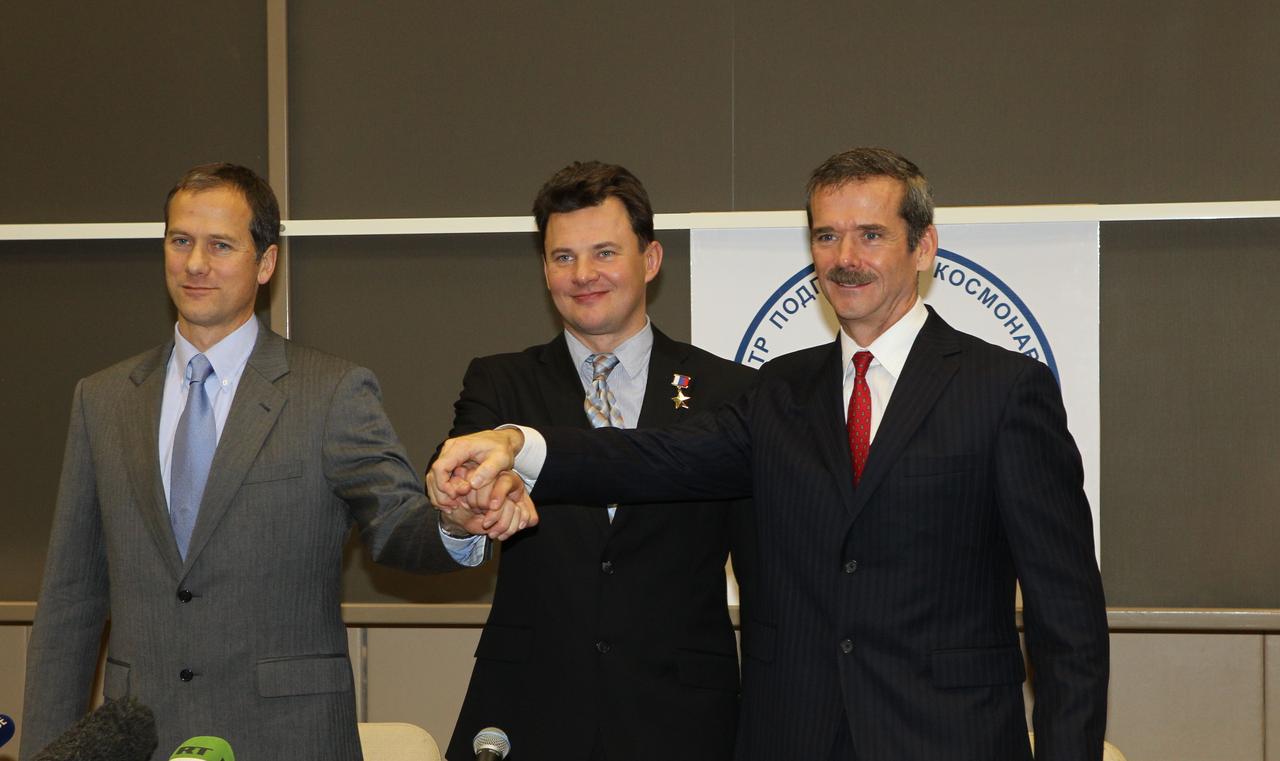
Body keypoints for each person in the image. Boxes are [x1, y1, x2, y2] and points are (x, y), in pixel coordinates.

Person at [431, 148, 1110, 760]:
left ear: (923, 246)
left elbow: (1068, 623)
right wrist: (522, 443)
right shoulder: (780, 388)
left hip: (946, 736)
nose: (845, 256)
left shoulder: (1005, 389)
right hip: (795, 734)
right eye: (825, 235)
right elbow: (657, 457)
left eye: (870, 234)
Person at [21, 163, 531, 761]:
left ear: (265, 264)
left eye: (220, 245)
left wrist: (454, 521)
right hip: (144, 738)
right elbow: (71, 601)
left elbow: (395, 525)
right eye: (180, 240)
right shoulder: (103, 400)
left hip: (287, 738)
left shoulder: (331, 392)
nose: (194, 264)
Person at [435, 161, 755, 761]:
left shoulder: (727, 390)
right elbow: (458, 496)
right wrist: (462, 512)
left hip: (683, 717)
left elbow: (765, 574)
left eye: (604, 252)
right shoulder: (500, 382)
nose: (583, 276)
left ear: (650, 260)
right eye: (562, 257)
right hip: (529, 711)